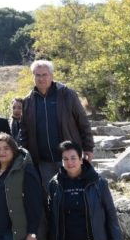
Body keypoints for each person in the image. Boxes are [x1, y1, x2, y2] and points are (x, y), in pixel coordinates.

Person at [48, 141, 123, 240]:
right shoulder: (55, 183)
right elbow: (53, 214)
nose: (70, 162)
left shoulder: (98, 182)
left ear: (81, 159)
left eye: (73, 158)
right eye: (65, 159)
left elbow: (110, 213)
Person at [20, 60, 95, 188]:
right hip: (44, 162)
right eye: (37, 75)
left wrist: (88, 147)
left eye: (45, 75)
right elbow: (24, 132)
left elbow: (83, 121)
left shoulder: (67, 94)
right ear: (33, 77)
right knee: (54, 197)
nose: (41, 78)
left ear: (52, 76)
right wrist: (26, 156)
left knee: (75, 192)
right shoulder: (28, 101)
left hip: (69, 158)